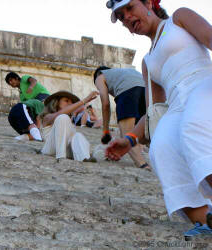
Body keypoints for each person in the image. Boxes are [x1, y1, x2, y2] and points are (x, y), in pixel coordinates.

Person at [105, 0, 212, 239]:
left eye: (130, 8)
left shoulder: (178, 19)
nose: (127, 18)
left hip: (204, 85)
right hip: (176, 105)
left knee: (191, 126)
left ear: (149, 3)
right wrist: (130, 140)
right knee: (160, 149)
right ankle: (205, 219)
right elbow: (154, 112)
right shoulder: (147, 61)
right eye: (121, 16)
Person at [93, 66, 149, 169]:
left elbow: (105, 104)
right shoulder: (123, 72)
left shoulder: (100, 76)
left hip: (127, 92)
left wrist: (105, 131)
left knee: (127, 134)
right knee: (144, 132)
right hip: (145, 90)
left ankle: (143, 165)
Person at [40, 90, 99, 162]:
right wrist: (84, 100)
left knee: (78, 135)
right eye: (66, 101)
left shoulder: (68, 120)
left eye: (71, 102)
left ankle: (84, 158)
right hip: (50, 149)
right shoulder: (47, 117)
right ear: (56, 102)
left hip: (67, 150)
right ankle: (61, 157)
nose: (70, 103)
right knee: (62, 117)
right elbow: (60, 114)